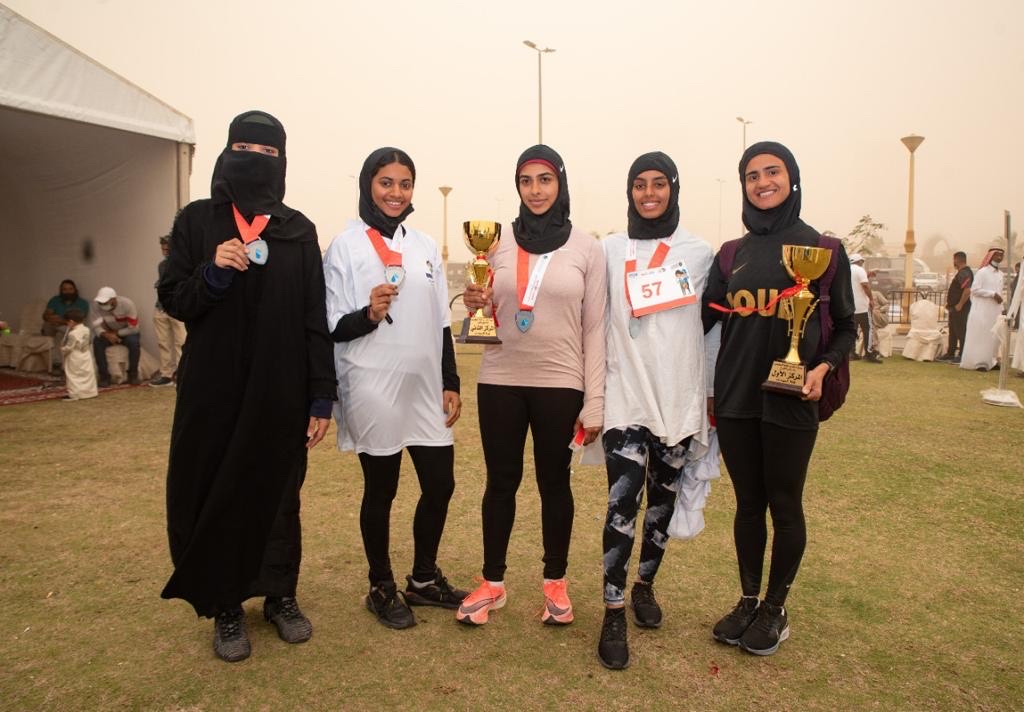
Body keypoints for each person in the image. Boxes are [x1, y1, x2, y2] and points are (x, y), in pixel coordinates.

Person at [158, 110, 336, 663]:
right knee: (215, 490)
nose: (255, 161)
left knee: (279, 494)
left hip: (280, 389)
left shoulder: (297, 230)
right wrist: (211, 272)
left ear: (282, 161)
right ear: (226, 152)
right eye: (244, 149)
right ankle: (226, 604)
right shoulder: (196, 222)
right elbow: (173, 299)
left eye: (267, 153)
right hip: (213, 389)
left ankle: (280, 595)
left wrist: (321, 395)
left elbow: (313, 317)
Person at [701, 141, 855, 656]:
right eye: (752, 175)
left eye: (773, 172)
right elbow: (703, 318)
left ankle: (775, 608)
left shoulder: (824, 250)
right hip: (737, 394)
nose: (763, 182)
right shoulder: (732, 254)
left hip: (792, 396)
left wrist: (823, 367)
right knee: (748, 504)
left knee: (785, 504)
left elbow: (847, 326)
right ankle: (748, 600)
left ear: (792, 179)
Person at [457, 145, 607, 627]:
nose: (536, 190)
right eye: (526, 181)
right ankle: (492, 584)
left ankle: (555, 584)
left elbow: (595, 328)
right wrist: (475, 302)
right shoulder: (497, 244)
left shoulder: (586, 248)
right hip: (500, 378)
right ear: (517, 186)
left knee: (553, 483)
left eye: (545, 180)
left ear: (560, 184)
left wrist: (595, 399)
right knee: (500, 482)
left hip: (561, 382)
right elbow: (485, 311)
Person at [323, 147, 467, 630]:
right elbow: (332, 325)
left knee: (441, 484)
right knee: (381, 489)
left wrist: (450, 380)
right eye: (386, 182)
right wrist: (368, 314)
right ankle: (381, 586)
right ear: (368, 185)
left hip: (424, 386)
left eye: (405, 184)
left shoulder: (424, 245)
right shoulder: (344, 246)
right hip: (371, 382)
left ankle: (423, 579)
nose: (396, 192)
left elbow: (442, 322)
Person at [594, 152, 714, 670]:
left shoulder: (699, 252)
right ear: (629, 191)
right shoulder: (609, 249)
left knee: (661, 504)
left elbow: (714, 324)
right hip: (625, 398)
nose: (649, 193)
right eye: (639, 184)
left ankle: (644, 584)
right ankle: (613, 609)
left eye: (658, 183)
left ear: (673, 189)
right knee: (621, 507)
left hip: (677, 401)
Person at [960, 247, 1004, 372]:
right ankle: (979, 363)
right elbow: (975, 290)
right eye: (997, 255)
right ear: (990, 256)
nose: (999, 257)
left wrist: (1002, 307)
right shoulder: (982, 272)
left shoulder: (1000, 274)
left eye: (1001, 255)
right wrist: (992, 294)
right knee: (981, 336)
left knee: (993, 337)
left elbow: (1000, 293)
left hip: (994, 311)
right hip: (982, 310)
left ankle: (991, 361)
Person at [150, 234, 187, 387]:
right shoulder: (162, 265)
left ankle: (181, 373)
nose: (165, 251)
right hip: (161, 308)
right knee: (163, 342)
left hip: (178, 307)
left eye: (167, 248)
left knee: (181, 342)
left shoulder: (184, 263)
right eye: (163, 248)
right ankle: (166, 374)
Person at [91, 286, 141, 386]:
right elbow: (96, 326)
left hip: (126, 332)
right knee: (97, 342)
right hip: (107, 333)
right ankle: (104, 377)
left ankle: (133, 375)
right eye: (101, 303)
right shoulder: (95, 305)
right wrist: (107, 334)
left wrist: (116, 333)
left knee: (134, 343)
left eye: (105, 303)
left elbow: (134, 328)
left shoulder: (127, 304)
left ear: (114, 299)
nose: (102, 305)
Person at [938, 251, 972, 363]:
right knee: (953, 331)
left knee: (961, 332)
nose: (953, 262)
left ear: (957, 260)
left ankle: (962, 355)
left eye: (954, 260)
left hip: (960, 308)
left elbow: (967, 290)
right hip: (954, 308)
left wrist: (960, 304)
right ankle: (950, 353)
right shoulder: (961, 273)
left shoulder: (964, 273)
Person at [848, 253, 882, 363]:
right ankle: (869, 354)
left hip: (850, 306)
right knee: (868, 329)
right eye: (862, 261)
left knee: (852, 330)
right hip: (862, 306)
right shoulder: (860, 270)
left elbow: (855, 282)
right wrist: (871, 299)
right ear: (859, 261)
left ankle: (851, 353)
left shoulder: (847, 270)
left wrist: (868, 274)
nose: (862, 263)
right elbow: (865, 285)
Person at [42, 279, 90, 354]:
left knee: (61, 334)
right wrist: (53, 318)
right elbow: (46, 315)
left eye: (70, 289)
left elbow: (78, 321)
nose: (68, 292)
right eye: (65, 289)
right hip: (53, 326)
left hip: (68, 327)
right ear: (61, 291)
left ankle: (58, 360)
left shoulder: (82, 303)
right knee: (47, 324)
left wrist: (61, 321)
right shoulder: (55, 300)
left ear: (75, 290)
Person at [60, 308, 97, 401]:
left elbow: (70, 347)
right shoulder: (86, 329)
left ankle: (75, 394)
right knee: (86, 373)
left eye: (67, 322)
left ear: (71, 322)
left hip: (75, 356)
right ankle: (90, 392)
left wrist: (62, 349)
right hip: (85, 354)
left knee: (73, 375)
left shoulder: (73, 333)